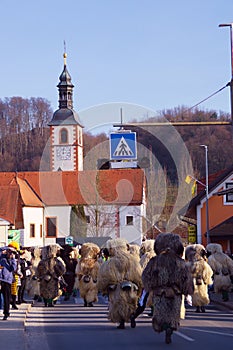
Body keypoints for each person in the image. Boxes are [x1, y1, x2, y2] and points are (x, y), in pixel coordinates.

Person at [142, 233, 194, 344]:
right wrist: (187, 291)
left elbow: (147, 276)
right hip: (176, 292)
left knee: (160, 313)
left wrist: (150, 287)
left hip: (159, 292)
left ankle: (165, 327)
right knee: (174, 314)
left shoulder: (155, 261)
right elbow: (186, 278)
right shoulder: (180, 262)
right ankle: (170, 327)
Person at [97, 238, 143, 329]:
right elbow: (138, 274)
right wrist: (139, 285)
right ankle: (131, 316)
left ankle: (121, 322)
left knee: (118, 304)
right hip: (130, 286)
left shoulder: (110, 263)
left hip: (116, 287)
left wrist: (105, 287)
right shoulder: (133, 261)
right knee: (130, 303)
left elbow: (105, 276)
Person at [185, 244, 213, 312]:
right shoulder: (203, 263)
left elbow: (187, 273)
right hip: (202, 280)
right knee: (203, 293)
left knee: (196, 293)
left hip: (194, 280)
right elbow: (208, 272)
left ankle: (198, 307)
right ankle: (202, 306)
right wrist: (206, 279)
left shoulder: (189, 263)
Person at [74, 242, 100, 307]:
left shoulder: (81, 262)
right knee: (91, 290)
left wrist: (79, 276)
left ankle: (86, 301)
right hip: (91, 278)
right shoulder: (94, 262)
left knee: (84, 290)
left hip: (83, 278)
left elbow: (78, 270)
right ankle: (89, 301)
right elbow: (97, 270)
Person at [0, 247, 17, 320]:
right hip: (1, 279)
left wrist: (13, 259)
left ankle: (6, 313)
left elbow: (12, 268)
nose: (10, 254)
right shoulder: (1, 257)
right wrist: (7, 248)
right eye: (9, 252)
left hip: (7, 281)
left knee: (7, 298)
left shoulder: (12, 261)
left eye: (11, 253)